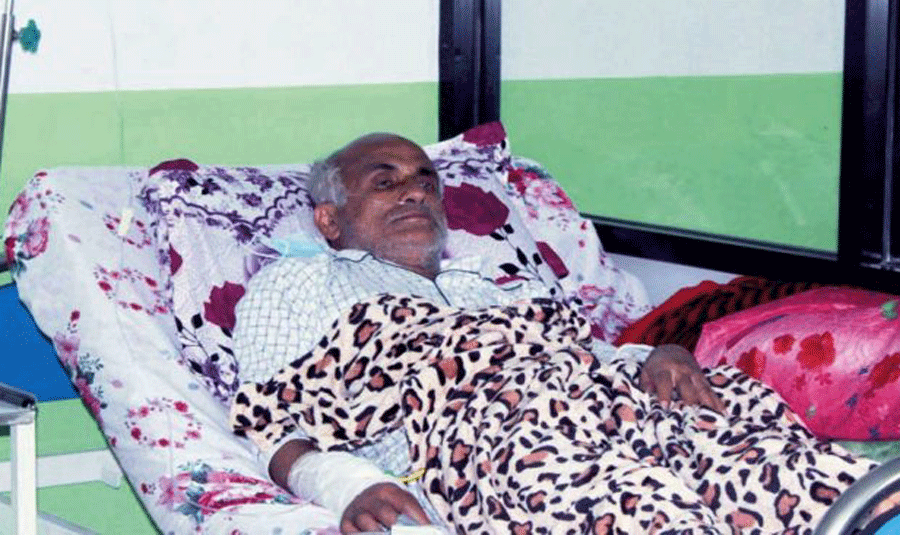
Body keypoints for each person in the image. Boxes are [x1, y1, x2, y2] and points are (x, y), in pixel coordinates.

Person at [232, 133, 888, 534]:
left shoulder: (491, 284)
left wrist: (659, 352)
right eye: (386, 182)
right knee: (637, 508)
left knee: (785, 471)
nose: (415, 193)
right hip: (497, 441)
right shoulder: (299, 283)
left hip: (615, 407)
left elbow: (587, 353)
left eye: (426, 180)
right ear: (329, 218)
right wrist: (345, 484)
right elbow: (269, 419)